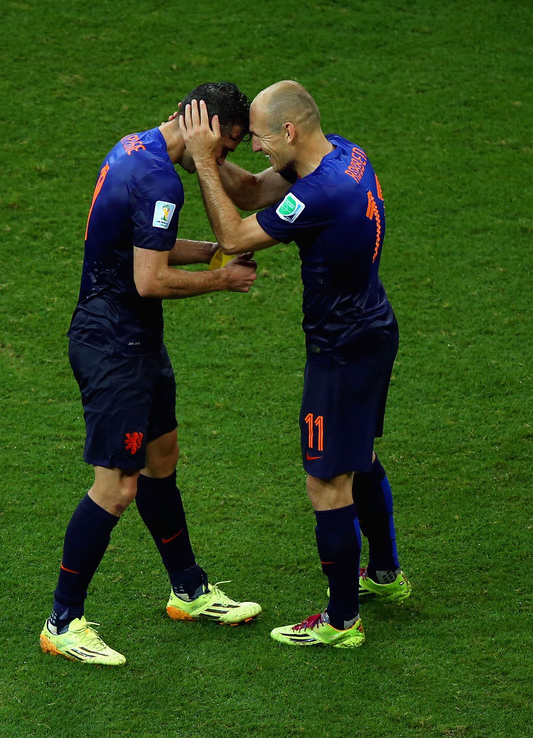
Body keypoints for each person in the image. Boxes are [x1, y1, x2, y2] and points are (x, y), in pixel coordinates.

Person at [179, 80, 410, 649]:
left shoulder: (320, 194)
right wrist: (202, 155)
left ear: (289, 130)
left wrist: (205, 163)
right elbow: (255, 191)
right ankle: (385, 574)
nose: (255, 147)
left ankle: (341, 621)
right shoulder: (345, 156)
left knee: (325, 481)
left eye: (259, 138)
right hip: (373, 330)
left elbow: (233, 236)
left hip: (341, 353)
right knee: (359, 456)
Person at [40, 82, 263, 667]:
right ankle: (62, 621)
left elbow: (144, 244)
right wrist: (224, 279)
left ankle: (188, 589)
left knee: (162, 460)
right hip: (114, 348)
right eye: (225, 145)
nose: (222, 160)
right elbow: (149, 279)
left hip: (134, 340)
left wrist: (211, 252)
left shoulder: (134, 146)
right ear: (203, 126)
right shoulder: (161, 180)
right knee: (117, 488)